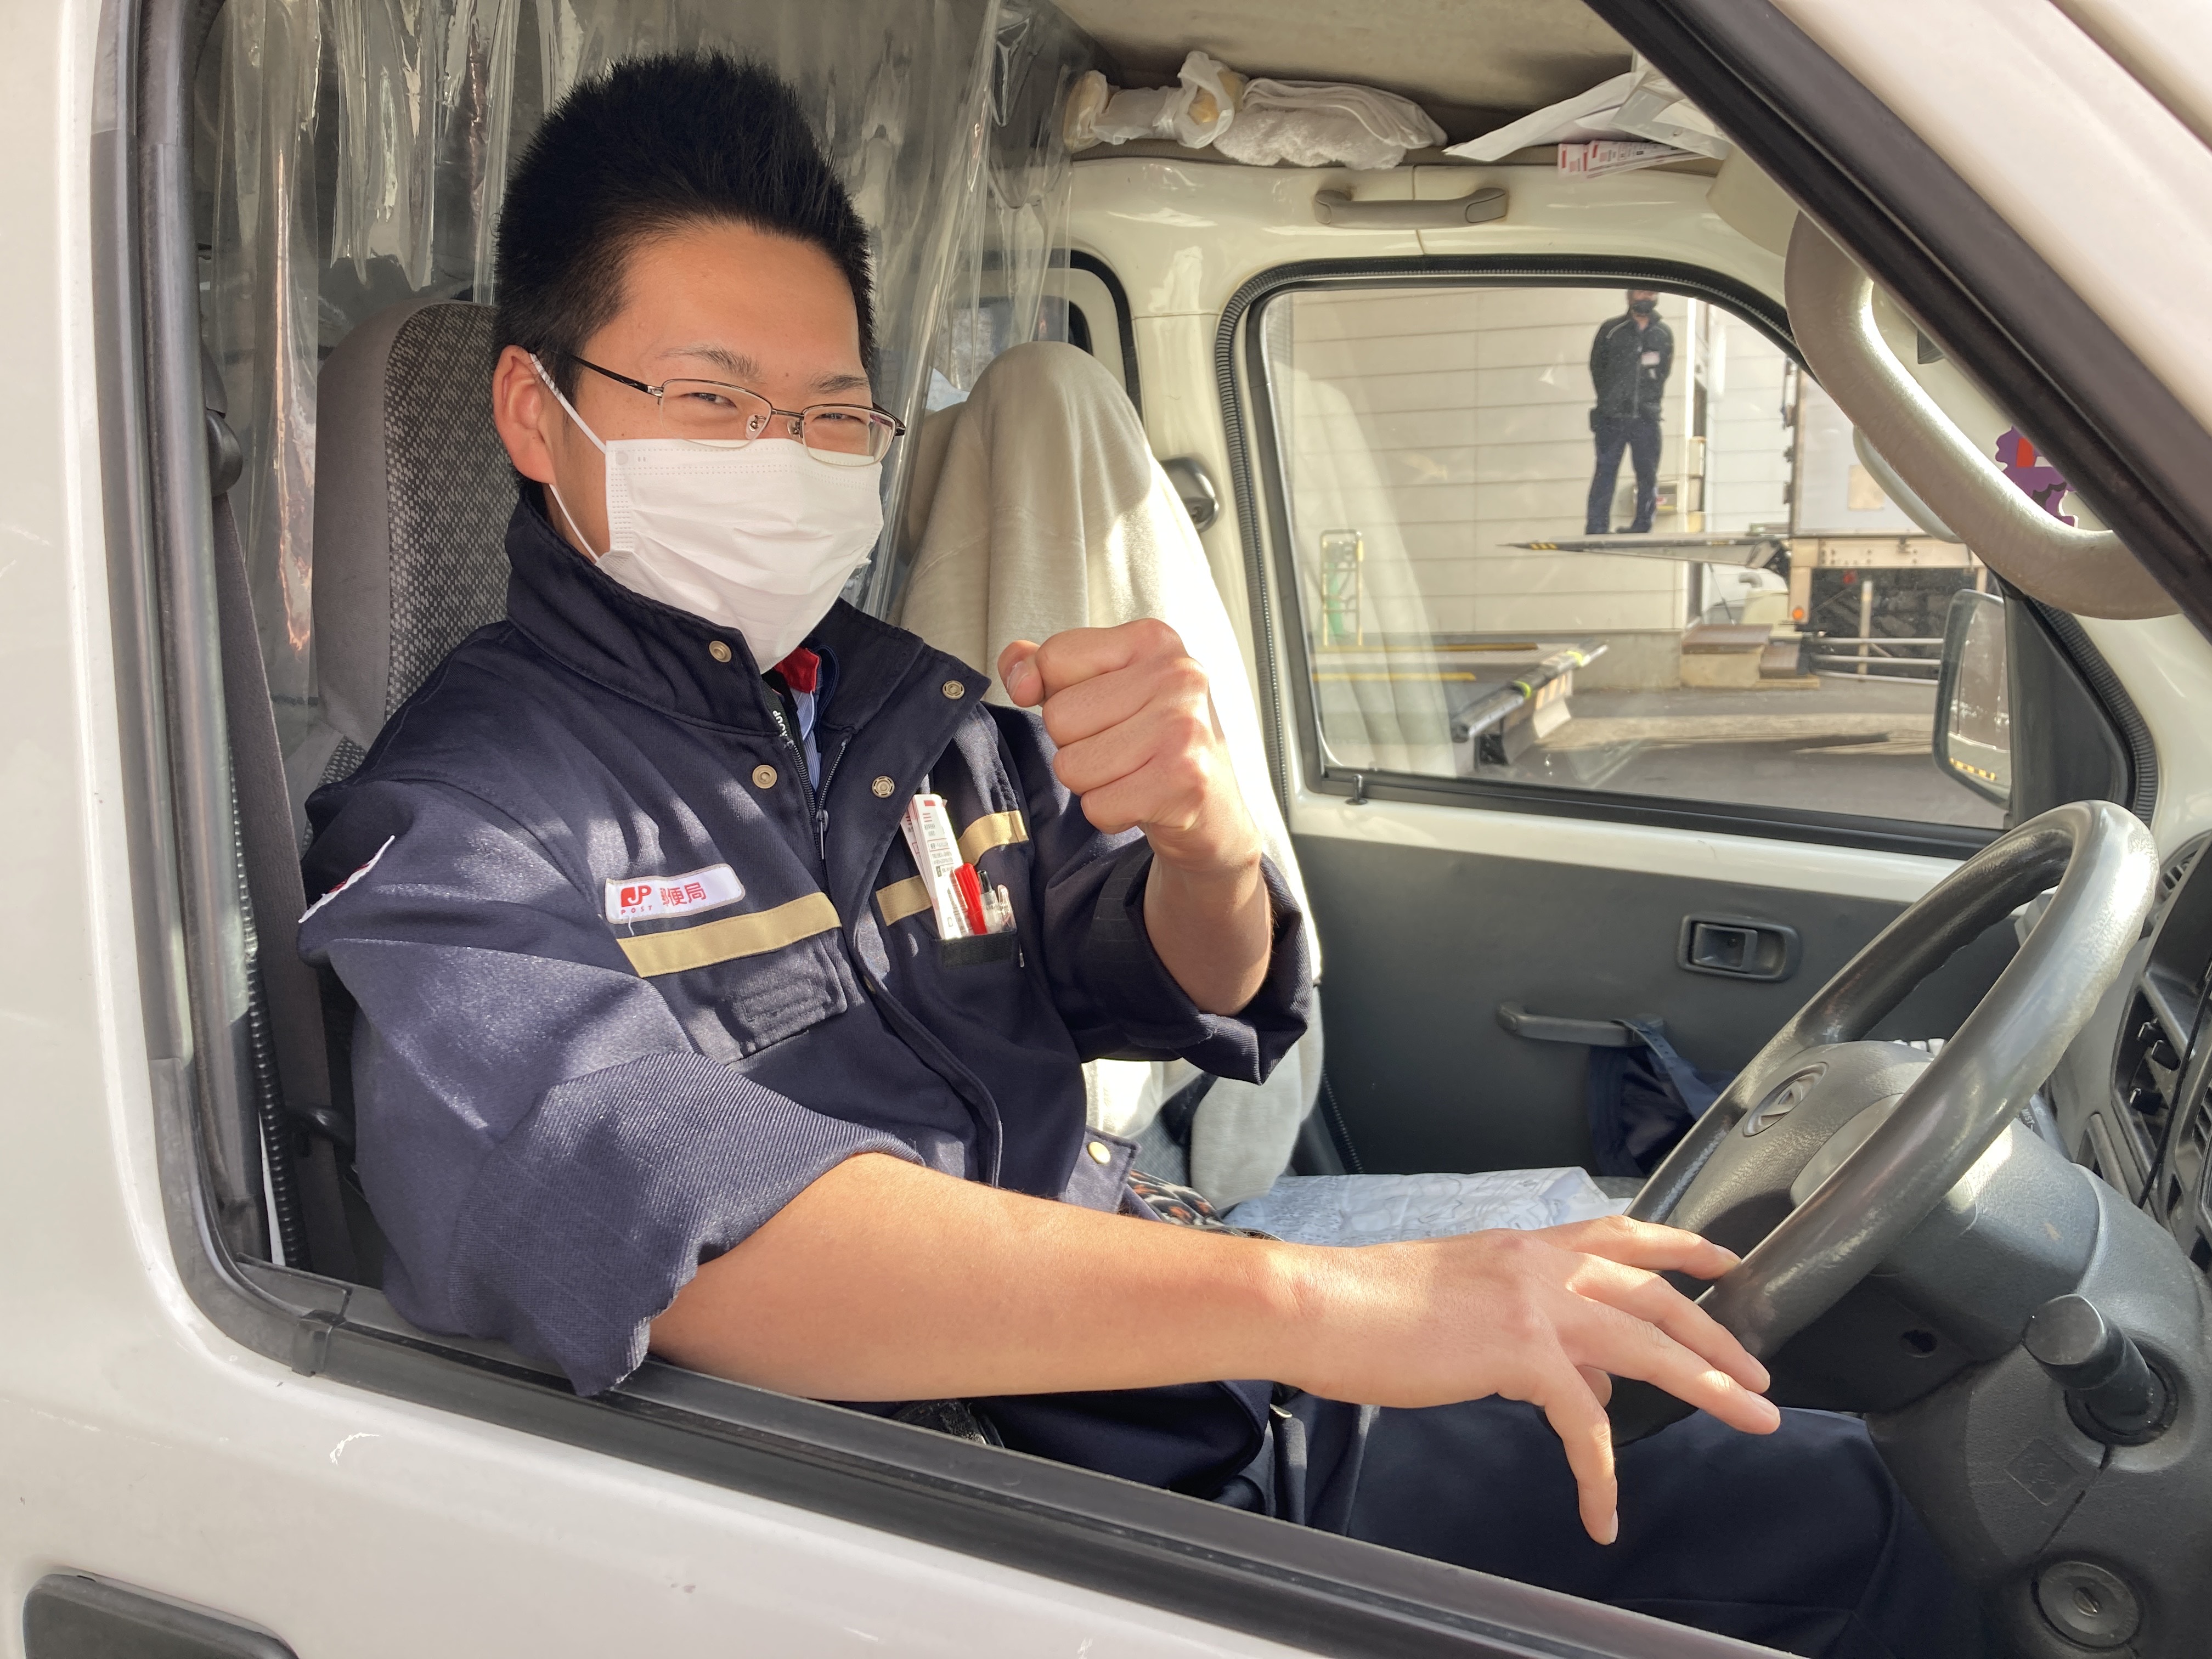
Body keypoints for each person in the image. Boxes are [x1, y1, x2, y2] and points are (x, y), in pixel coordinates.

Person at [298, 54, 1979, 1657]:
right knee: (1858, 1526)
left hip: (1183, 1379)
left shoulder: (899, 707)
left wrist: (1209, 840)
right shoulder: (457, 829)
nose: (783, 461)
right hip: (993, 1517)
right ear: (537, 414)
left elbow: (1173, 981)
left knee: (1837, 1474)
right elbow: (680, 1241)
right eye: (711, 401)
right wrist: (1349, 1310)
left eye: (831, 416)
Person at [1585, 289, 1674, 534]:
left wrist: (1649, 400)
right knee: (1605, 472)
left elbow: (1663, 371)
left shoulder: (1663, 333)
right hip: (1612, 416)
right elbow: (1597, 367)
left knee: (1647, 473)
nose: (1646, 298)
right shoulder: (1611, 330)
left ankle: (1643, 525)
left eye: (1651, 293)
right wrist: (1611, 398)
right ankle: (1597, 526)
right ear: (1629, 296)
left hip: (1647, 417)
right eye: (1641, 292)